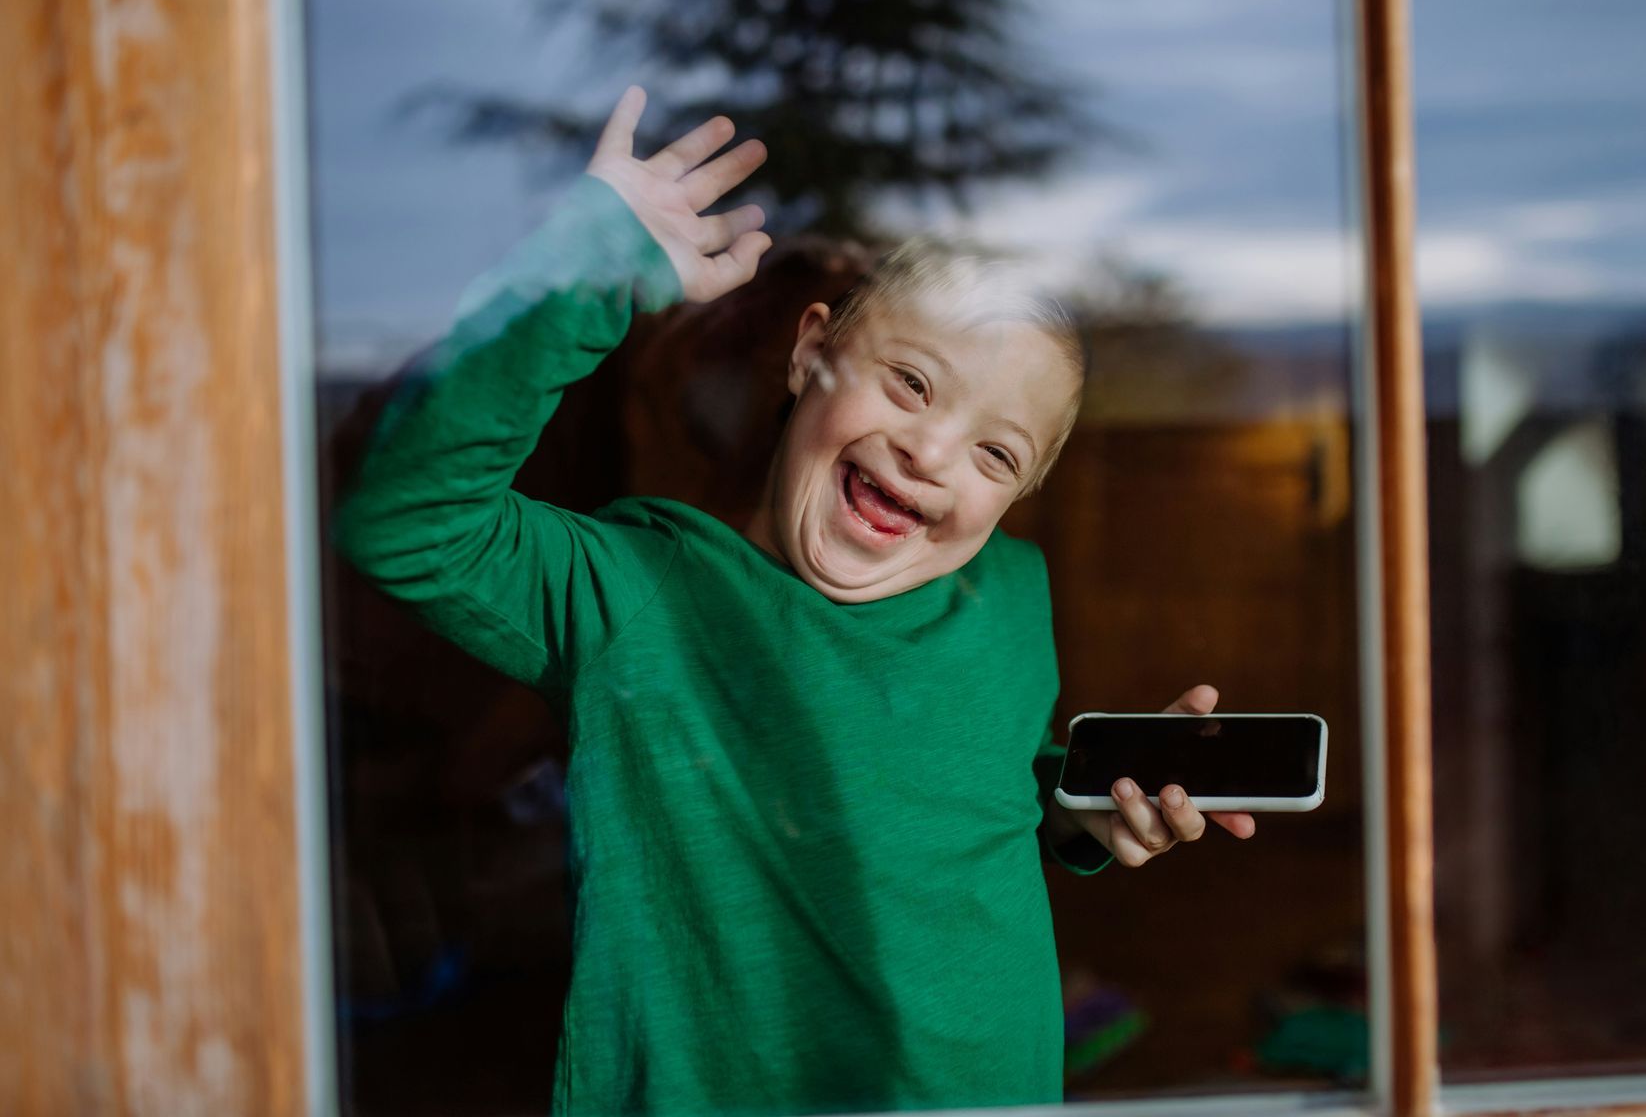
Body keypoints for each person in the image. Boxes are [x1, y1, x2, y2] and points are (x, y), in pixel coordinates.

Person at [334, 86, 1256, 1116]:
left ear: (1019, 495)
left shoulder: (1006, 596)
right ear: (811, 348)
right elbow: (407, 518)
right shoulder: (635, 594)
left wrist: (1084, 809)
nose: (932, 450)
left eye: (996, 452)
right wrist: (585, 273)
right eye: (910, 382)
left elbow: (972, 781)